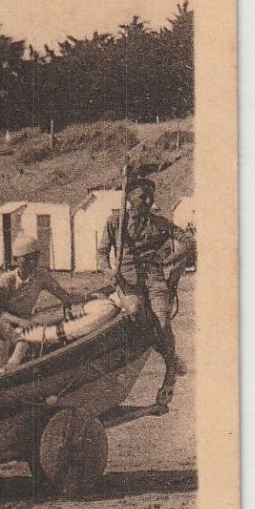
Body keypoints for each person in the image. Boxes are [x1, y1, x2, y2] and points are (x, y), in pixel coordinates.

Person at [104, 177, 195, 413]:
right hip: (127, 279)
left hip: (154, 278)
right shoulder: (116, 222)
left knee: (163, 321)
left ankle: (169, 373)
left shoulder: (159, 223)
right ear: (129, 199)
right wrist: (109, 272)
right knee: (135, 311)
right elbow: (102, 252)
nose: (146, 200)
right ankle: (168, 354)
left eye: (149, 196)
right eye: (141, 196)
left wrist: (169, 262)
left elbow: (187, 242)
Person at [0, 234, 88, 322]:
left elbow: (64, 296)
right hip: (5, 323)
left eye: (35, 258)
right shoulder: (7, 279)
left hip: (27, 320)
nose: (32, 262)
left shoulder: (41, 276)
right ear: (16, 259)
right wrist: (19, 322)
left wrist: (87, 297)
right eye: (27, 259)